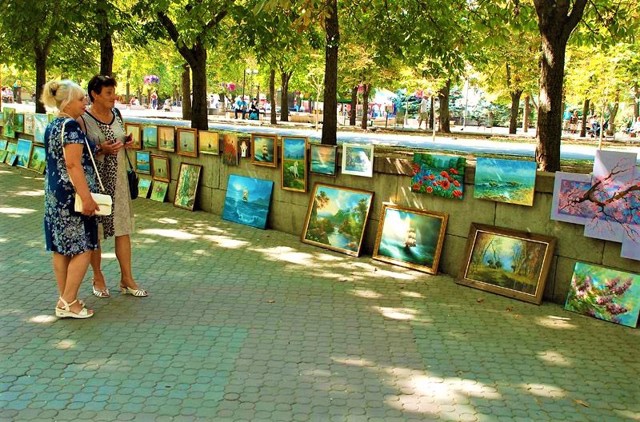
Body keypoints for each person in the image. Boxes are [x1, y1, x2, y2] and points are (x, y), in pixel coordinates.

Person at [79, 75, 148, 298]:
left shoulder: (116, 114)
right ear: (95, 94)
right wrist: (101, 149)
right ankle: (97, 277)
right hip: (96, 182)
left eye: (113, 92)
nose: (113, 97)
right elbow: (78, 151)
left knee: (123, 229)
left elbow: (119, 138)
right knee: (96, 232)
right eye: (108, 93)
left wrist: (127, 142)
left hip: (118, 182)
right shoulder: (83, 119)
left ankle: (127, 278)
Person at [41, 79, 99, 319]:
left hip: (55, 194)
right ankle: (68, 302)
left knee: (61, 248)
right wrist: (86, 198)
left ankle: (65, 298)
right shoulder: (72, 127)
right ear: (67, 102)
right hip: (71, 197)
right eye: (81, 99)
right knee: (84, 247)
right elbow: (73, 164)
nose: (85, 102)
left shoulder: (53, 125)